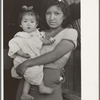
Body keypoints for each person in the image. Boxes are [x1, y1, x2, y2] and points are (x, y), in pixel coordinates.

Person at [16, 0, 78, 100]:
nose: (52, 17)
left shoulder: (70, 33)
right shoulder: (38, 33)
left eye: (57, 13)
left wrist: (26, 63)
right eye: (48, 13)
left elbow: (54, 55)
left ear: (64, 16)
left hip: (50, 86)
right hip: (27, 84)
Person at [8, 5, 55, 100]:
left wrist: (49, 41)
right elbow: (13, 45)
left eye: (32, 22)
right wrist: (21, 53)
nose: (28, 24)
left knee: (30, 75)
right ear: (20, 24)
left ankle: (24, 94)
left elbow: (43, 41)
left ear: (36, 24)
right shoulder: (19, 36)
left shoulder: (37, 34)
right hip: (23, 59)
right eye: (25, 21)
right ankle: (41, 87)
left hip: (33, 58)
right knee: (33, 71)